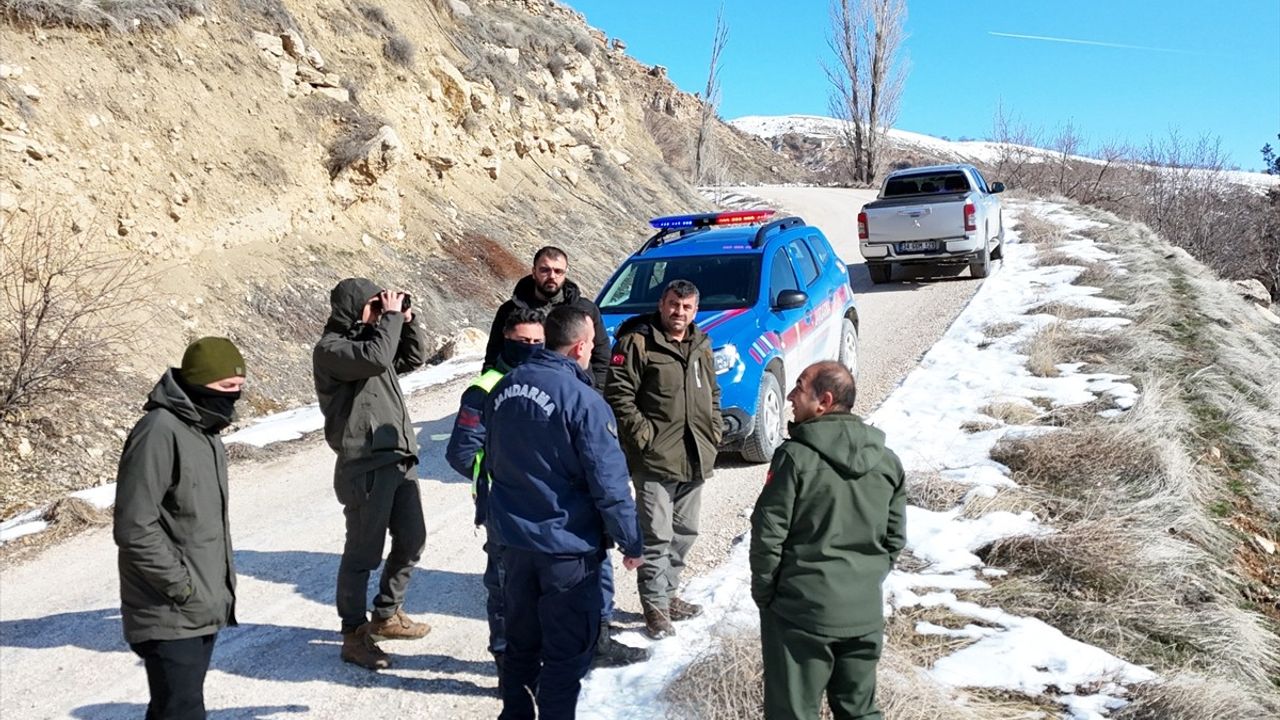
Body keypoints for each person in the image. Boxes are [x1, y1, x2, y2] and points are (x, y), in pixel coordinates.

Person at [447, 309, 647, 676]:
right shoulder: (581, 399)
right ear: (580, 347)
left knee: (518, 606)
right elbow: (609, 483)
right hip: (560, 531)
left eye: (535, 341)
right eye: (521, 341)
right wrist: (631, 541)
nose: (528, 347)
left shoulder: (506, 386)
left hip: (512, 525)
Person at [750, 361, 907, 720]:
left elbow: (768, 535)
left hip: (801, 613)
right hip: (863, 613)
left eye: (799, 387)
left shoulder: (794, 458)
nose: (790, 395)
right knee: (860, 711)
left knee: (793, 713)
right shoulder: (887, 462)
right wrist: (865, 580)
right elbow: (894, 538)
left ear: (824, 400)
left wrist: (766, 594)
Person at [113, 336, 246, 720]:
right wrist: (181, 586)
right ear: (198, 383)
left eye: (239, 388)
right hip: (169, 607)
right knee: (183, 711)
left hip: (198, 603)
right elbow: (134, 526)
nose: (234, 398)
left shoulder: (204, 431)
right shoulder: (158, 431)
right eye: (225, 388)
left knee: (171, 708)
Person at [313, 278, 431, 670]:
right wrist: (389, 319)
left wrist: (406, 321)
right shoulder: (332, 350)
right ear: (351, 308)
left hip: (397, 457)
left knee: (413, 538)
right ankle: (353, 634)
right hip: (363, 464)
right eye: (373, 306)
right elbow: (378, 357)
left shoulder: (371, 340)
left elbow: (414, 357)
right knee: (363, 553)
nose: (380, 312)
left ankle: (387, 614)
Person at [605, 279, 722, 639]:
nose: (679, 313)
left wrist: (713, 430)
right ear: (661, 304)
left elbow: (712, 392)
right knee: (656, 534)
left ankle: (670, 594)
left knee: (685, 531)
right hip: (655, 459)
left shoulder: (701, 343)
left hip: (695, 453)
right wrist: (644, 438)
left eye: (686, 307)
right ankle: (654, 608)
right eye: (674, 305)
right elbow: (618, 393)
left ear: (695, 310)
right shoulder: (638, 341)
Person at [483, 246, 610, 389]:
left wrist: (596, 391)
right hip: (521, 390)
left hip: (572, 393)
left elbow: (601, 356)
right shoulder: (510, 310)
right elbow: (493, 355)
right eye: (545, 270)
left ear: (565, 273)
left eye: (558, 271)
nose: (552, 276)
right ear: (533, 272)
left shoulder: (585, 310)